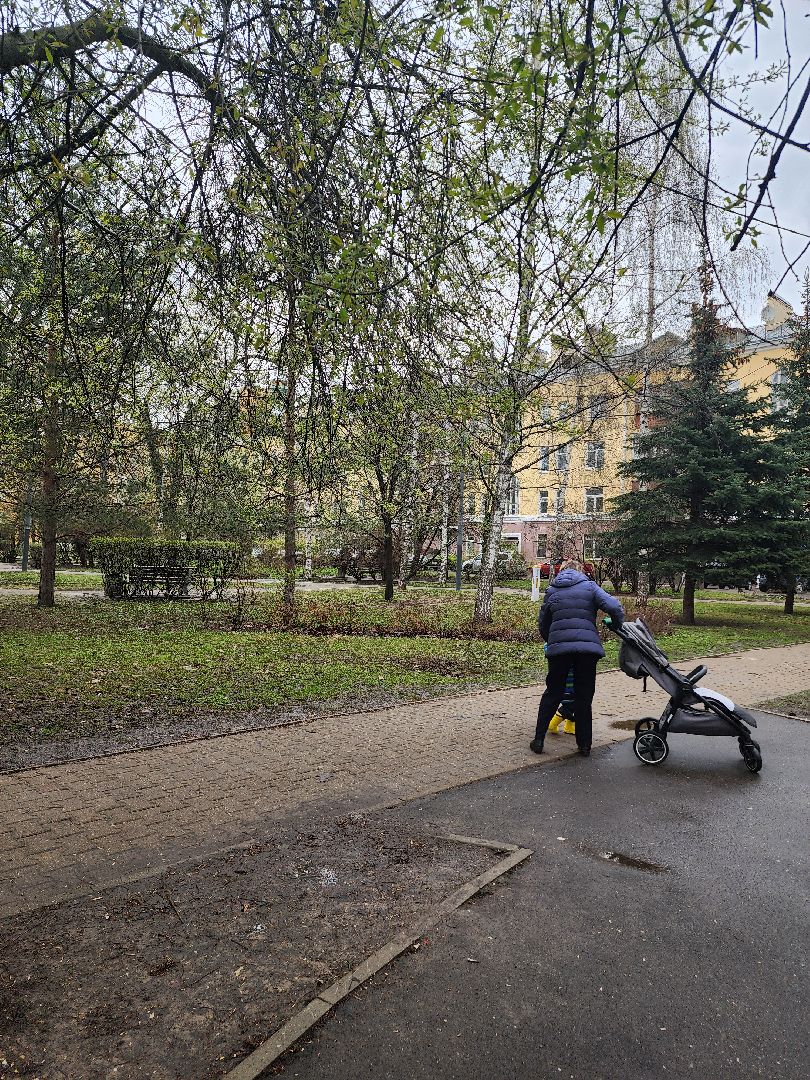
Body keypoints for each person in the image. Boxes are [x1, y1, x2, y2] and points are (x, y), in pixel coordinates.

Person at [531, 559, 624, 757]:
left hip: (559, 651)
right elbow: (614, 607)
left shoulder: (552, 590)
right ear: (581, 571)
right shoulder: (590, 587)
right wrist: (617, 625)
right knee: (583, 696)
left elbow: (543, 622)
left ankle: (538, 740)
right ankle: (584, 746)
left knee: (552, 693)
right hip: (587, 650)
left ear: (561, 572)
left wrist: (553, 640)